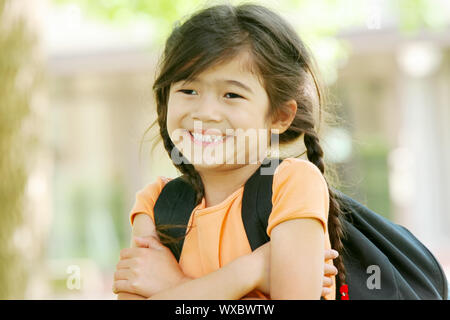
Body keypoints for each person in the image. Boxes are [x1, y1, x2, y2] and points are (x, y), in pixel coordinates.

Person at [112, 2, 346, 300]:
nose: (206, 112)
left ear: (280, 116)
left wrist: (174, 286)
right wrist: (252, 270)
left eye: (231, 94)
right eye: (189, 90)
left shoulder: (292, 185)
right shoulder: (156, 205)